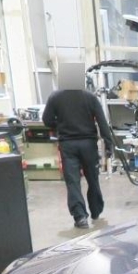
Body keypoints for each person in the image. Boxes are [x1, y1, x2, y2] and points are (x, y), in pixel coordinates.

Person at [42, 68, 115, 229]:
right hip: (88, 144)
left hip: (68, 145)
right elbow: (102, 122)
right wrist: (109, 144)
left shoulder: (55, 97)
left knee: (73, 181)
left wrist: (60, 126)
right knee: (93, 179)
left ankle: (80, 217)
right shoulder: (90, 97)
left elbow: (46, 120)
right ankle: (95, 211)